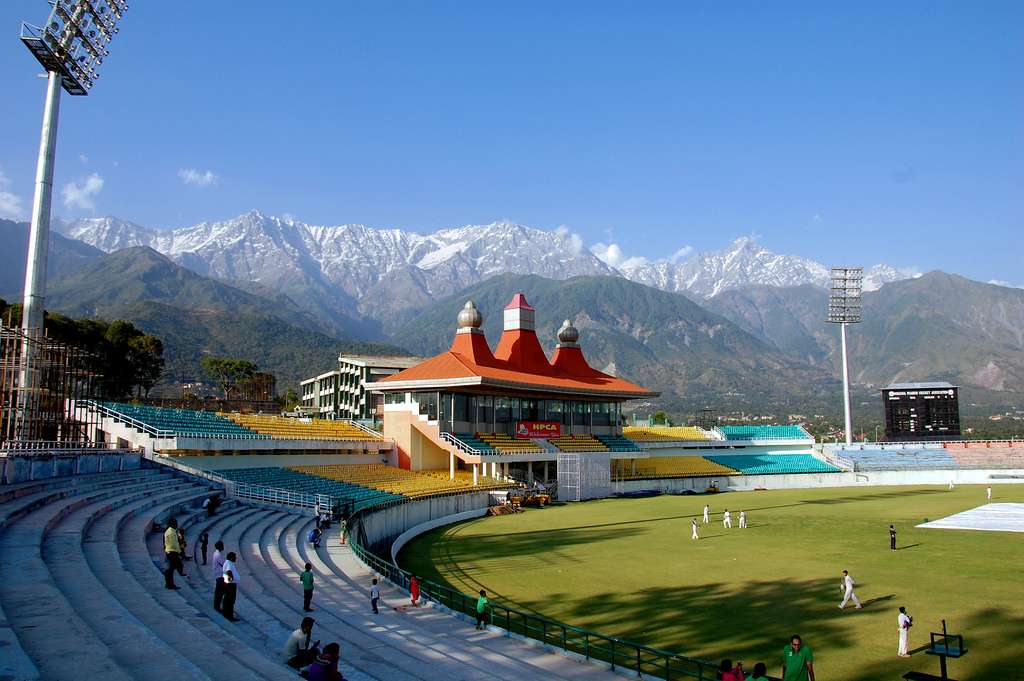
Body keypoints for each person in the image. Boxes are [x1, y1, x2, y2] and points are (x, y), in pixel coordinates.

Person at [163, 518, 186, 589]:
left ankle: (169, 583)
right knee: (171, 568)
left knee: (172, 568)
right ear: (172, 524)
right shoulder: (171, 532)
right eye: (176, 523)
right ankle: (170, 584)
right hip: (172, 552)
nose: (177, 525)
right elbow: (174, 544)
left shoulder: (171, 531)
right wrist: (179, 551)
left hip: (170, 552)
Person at [222, 551, 240, 621]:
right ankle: (229, 616)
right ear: (231, 558)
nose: (236, 558)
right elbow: (229, 572)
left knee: (228, 600)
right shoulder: (229, 563)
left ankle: (227, 614)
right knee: (230, 600)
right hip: (230, 585)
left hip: (229, 584)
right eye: (235, 557)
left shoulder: (228, 563)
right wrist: (231, 580)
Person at [212, 540, 226, 612]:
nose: (223, 547)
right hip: (219, 575)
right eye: (222, 545)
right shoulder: (218, 555)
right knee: (219, 592)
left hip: (218, 575)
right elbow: (223, 564)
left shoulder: (216, 554)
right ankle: (217, 607)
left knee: (219, 591)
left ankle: (216, 606)